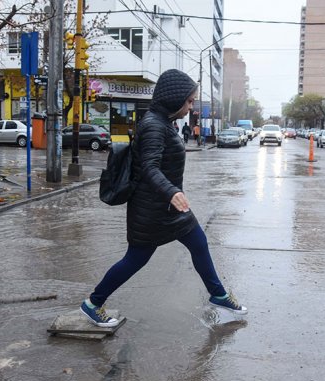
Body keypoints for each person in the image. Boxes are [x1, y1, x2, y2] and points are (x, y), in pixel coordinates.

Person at [79, 68, 247, 327]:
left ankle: (218, 294)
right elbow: (149, 167)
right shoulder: (154, 126)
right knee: (135, 259)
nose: (191, 106)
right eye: (190, 101)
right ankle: (93, 304)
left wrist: (172, 195)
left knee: (199, 243)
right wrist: (172, 192)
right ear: (175, 98)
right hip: (151, 210)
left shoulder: (163, 123)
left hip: (168, 208)